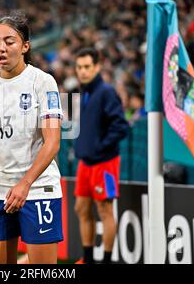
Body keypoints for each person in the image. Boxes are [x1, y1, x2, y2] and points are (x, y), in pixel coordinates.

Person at [0, 13, 63, 264]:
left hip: (38, 189)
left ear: (25, 46)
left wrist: (25, 183)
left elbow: (53, 142)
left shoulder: (43, 82)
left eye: (9, 41)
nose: (1, 48)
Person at [73, 47, 129, 264]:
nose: (83, 71)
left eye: (87, 67)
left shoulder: (106, 92)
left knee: (105, 210)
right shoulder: (84, 92)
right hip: (85, 162)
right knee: (81, 208)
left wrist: (100, 147)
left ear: (97, 67)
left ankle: (106, 260)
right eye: (79, 67)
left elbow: (120, 126)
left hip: (105, 163)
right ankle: (87, 259)